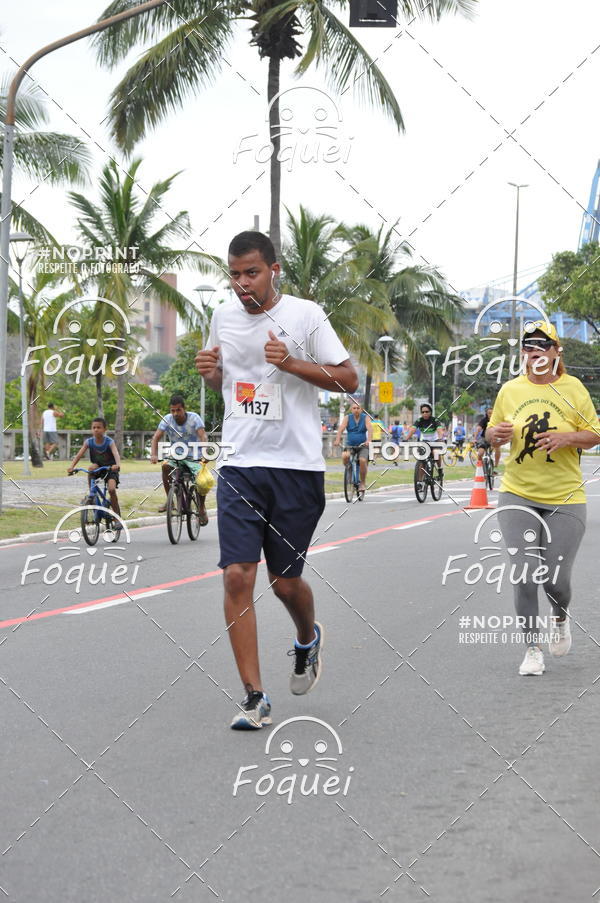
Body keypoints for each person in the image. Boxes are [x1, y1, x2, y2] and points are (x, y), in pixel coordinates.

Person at [195, 230, 357, 730]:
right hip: (242, 462)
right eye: (235, 274)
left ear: (274, 270)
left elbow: (349, 379)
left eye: (252, 272)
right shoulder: (221, 316)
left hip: (297, 467)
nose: (243, 283)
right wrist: (209, 374)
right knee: (237, 575)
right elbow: (229, 383)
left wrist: (291, 363)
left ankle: (307, 639)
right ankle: (254, 696)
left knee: (285, 583)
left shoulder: (306, 315)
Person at [486, 321, 600, 676]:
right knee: (524, 573)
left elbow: (594, 433)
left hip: (565, 497)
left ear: (555, 351)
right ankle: (532, 649)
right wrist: (494, 434)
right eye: (528, 345)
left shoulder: (573, 388)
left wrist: (567, 438)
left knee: (554, 580)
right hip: (517, 494)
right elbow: (493, 433)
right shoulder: (510, 390)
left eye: (541, 344)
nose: (533, 350)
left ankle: (560, 616)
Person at [149, 394, 208, 523]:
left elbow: (203, 437)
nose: (175, 413)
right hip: (176, 456)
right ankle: (170, 500)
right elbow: (156, 438)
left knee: (201, 482)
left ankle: (202, 508)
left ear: (184, 409)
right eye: (172, 410)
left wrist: (204, 454)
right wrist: (153, 454)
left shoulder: (195, 418)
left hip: (195, 456)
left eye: (178, 410)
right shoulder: (167, 419)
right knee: (165, 467)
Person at [67, 417, 121, 517]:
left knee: (111, 490)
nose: (96, 429)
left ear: (105, 429)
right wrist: (72, 467)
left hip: (110, 469)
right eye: (94, 427)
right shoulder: (89, 442)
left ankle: (117, 516)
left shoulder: (109, 442)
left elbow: (116, 453)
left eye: (99, 427)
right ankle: (92, 496)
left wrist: (117, 465)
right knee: (91, 468)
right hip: (99, 467)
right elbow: (79, 455)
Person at [334, 402, 372, 493]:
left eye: (358, 408)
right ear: (351, 409)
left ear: (361, 409)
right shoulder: (347, 418)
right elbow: (341, 429)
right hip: (350, 445)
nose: (356, 410)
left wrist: (369, 440)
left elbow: (370, 428)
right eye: (354, 408)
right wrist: (337, 440)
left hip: (363, 445)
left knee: (362, 460)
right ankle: (349, 471)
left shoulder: (365, 418)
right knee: (345, 456)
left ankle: (362, 483)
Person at [476, 407, 501, 472]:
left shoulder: (497, 420)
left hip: (494, 439)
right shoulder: (484, 420)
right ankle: (480, 467)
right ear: (486, 414)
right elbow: (478, 428)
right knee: (480, 453)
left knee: (497, 449)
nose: (491, 415)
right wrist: (475, 438)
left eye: (492, 413)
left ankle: (496, 466)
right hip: (484, 438)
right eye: (489, 413)